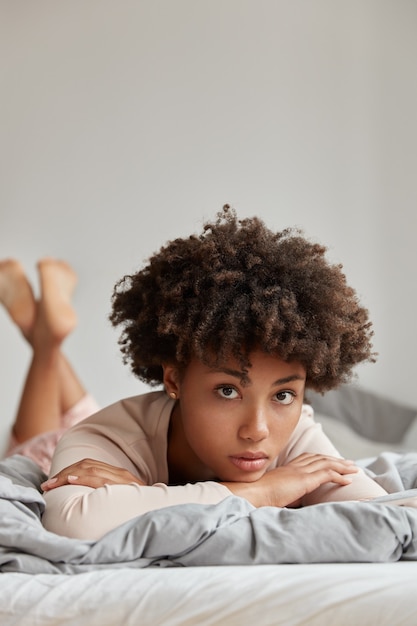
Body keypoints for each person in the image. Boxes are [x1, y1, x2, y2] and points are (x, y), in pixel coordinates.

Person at [41, 206, 388, 541]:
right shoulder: (106, 439)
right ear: (174, 380)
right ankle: (44, 342)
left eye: (283, 395)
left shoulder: (297, 434)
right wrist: (267, 490)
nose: (257, 431)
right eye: (227, 391)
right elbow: (73, 524)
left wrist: (142, 496)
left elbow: (385, 520)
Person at [0, 258, 100, 475]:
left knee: (85, 421)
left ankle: (36, 327)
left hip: (100, 445)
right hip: (67, 470)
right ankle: (43, 333)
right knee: (28, 464)